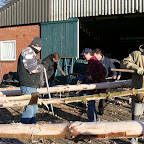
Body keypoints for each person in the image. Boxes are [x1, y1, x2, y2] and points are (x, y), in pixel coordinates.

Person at [121, 44, 144, 144]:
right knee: (136, 117)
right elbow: (124, 62)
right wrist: (136, 68)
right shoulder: (136, 54)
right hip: (139, 91)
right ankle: (134, 138)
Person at [17, 37, 44, 124]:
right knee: (29, 109)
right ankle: (23, 128)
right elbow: (32, 69)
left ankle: (32, 126)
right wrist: (42, 67)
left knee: (34, 108)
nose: (40, 50)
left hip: (32, 85)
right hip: (28, 85)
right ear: (37, 46)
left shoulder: (31, 53)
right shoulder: (28, 52)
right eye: (40, 48)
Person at [80, 48, 107, 122]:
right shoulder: (89, 63)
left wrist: (93, 76)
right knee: (89, 103)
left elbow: (104, 72)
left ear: (89, 54)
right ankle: (92, 119)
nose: (83, 57)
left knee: (91, 103)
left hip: (95, 86)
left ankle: (93, 121)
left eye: (84, 55)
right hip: (90, 86)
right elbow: (87, 75)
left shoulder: (95, 62)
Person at [93, 48, 117, 115]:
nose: (94, 58)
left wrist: (114, 74)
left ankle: (101, 109)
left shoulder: (107, 61)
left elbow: (113, 69)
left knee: (103, 95)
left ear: (99, 54)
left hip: (104, 80)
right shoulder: (94, 62)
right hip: (96, 80)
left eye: (95, 56)